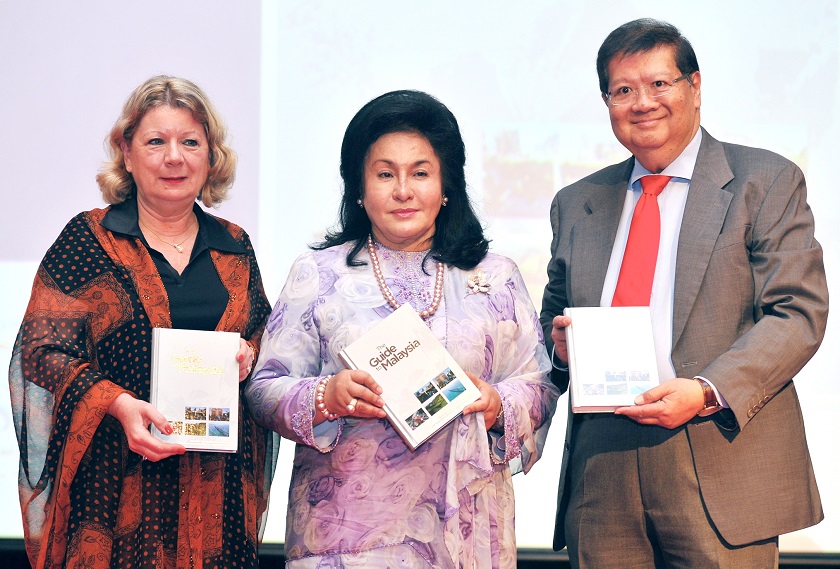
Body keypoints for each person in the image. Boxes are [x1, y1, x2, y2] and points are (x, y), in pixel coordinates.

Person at [540, 18, 829, 568]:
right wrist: (556, 345)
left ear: (695, 88)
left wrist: (706, 390)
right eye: (623, 90)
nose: (642, 102)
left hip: (718, 453)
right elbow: (551, 318)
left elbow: (798, 312)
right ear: (607, 103)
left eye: (659, 83)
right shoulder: (578, 201)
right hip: (603, 470)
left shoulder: (763, 180)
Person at [246, 89, 559, 568]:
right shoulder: (318, 274)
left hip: (465, 530)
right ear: (359, 185)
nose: (403, 191)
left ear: (446, 184)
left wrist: (496, 404)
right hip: (345, 535)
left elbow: (538, 386)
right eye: (385, 173)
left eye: (421, 173)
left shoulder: (495, 276)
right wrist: (326, 396)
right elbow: (264, 389)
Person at [9, 75, 279, 569]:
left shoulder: (234, 245)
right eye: (156, 141)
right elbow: (41, 351)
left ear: (211, 156)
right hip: (114, 488)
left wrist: (250, 354)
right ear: (127, 153)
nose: (174, 157)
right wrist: (117, 404)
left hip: (216, 493)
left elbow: (264, 335)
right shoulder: (88, 239)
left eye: (190, 142)